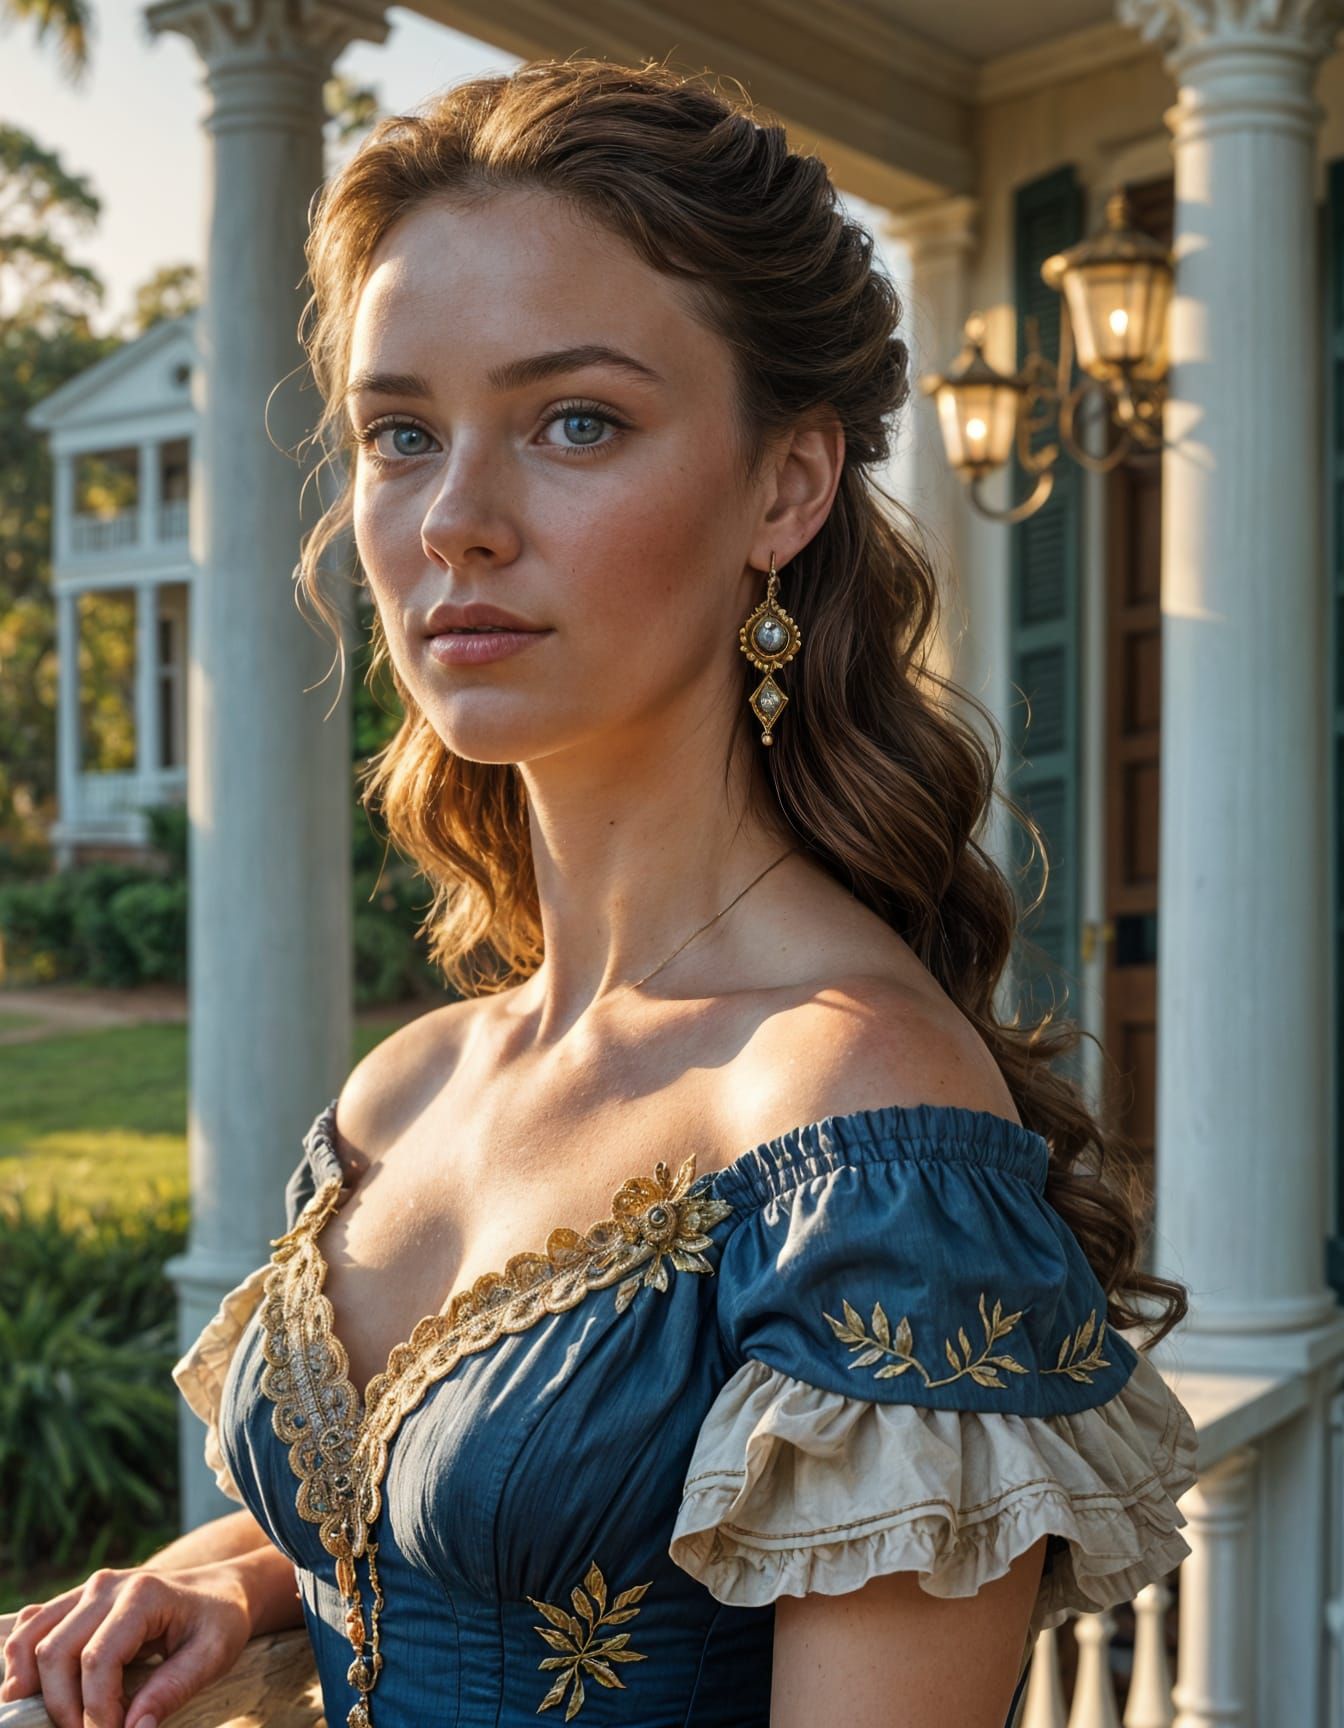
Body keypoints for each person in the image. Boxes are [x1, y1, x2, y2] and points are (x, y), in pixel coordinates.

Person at [0, 56, 1198, 1728]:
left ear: (786, 487)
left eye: (576, 422)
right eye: (401, 434)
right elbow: (460, 1546)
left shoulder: (853, 1112)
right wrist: (240, 1577)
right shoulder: (405, 1088)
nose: (455, 524)